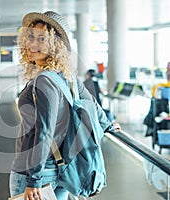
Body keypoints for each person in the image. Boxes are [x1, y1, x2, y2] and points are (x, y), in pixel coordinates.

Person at [9, 11, 120, 200]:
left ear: (55, 45)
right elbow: (92, 103)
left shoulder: (44, 80)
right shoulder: (67, 77)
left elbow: (44, 132)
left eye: (42, 39)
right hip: (61, 169)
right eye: (31, 37)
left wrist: (33, 180)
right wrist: (108, 123)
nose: (32, 44)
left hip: (36, 173)